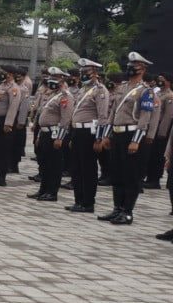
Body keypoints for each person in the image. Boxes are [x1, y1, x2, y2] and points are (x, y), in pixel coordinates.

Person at [97, 52, 156, 225]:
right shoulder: (122, 88)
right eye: (129, 65)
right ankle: (117, 209)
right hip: (117, 134)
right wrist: (107, 135)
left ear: (142, 69)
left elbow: (145, 118)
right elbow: (113, 113)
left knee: (131, 175)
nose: (130, 68)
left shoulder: (146, 91)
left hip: (132, 135)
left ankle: (127, 211)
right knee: (117, 173)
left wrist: (136, 141)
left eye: (134, 66)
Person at [64, 59, 110, 214]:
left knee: (88, 169)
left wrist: (99, 138)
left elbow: (103, 116)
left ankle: (88, 203)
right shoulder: (83, 89)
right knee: (76, 168)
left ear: (95, 73)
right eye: (82, 72)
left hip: (89, 133)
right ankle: (79, 201)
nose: (83, 74)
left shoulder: (100, 90)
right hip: (77, 132)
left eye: (87, 72)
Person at [28, 72, 73, 201]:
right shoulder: (52, 95)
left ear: (62, 81)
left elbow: (65, 119)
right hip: (44, 133)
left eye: (55, 79)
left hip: (55, 134)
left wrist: (60, 137)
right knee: (44, 163)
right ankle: (43, 189)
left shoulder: (65, 96)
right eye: (51, 79)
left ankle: (52, 192)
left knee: (54, 165)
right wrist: (39, 136)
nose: (51, 82)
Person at [147, 73, 173, 188]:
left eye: (163, 79)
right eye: (159, 79)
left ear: (168, 82)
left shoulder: (170, 96)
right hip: (153, 127)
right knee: (151, 155)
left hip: (161, 130)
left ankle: (155, 180)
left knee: (158, 156)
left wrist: (162, 133)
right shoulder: (157, 93)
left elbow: (168, 116)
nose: (160, 81)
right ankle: (150, 178)